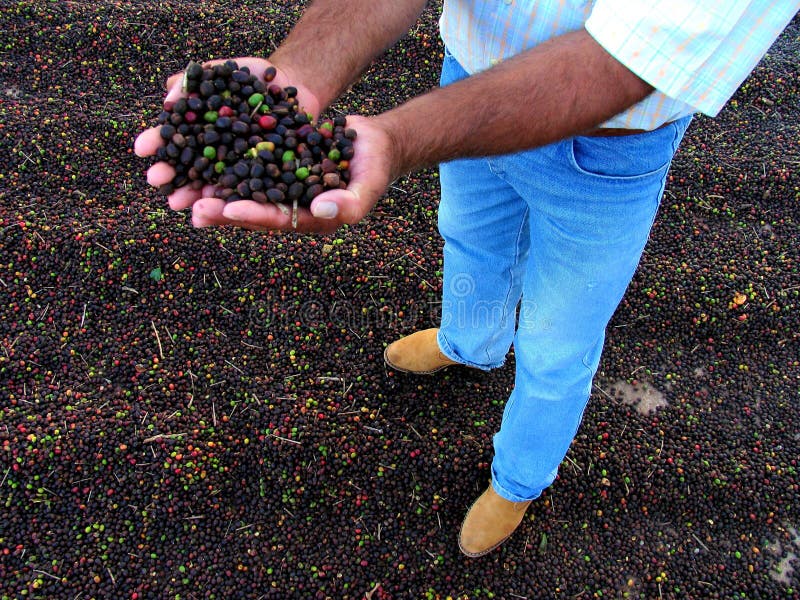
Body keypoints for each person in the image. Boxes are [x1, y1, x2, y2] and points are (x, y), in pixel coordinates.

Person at [135, 1, 799, 557]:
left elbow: (618, 62)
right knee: (471, 239)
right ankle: (469, 344)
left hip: (609, 147)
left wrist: (394, 140)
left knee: (557, 339)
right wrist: (296, 76)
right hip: (468, 86)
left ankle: (518, 480)